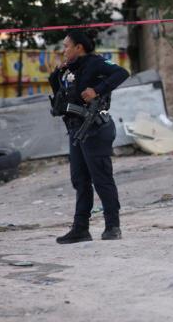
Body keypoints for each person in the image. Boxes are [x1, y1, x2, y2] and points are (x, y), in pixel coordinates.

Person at [50, 29, 130, 244]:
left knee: (101, 178)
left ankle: (112, 226)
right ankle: (80, 228)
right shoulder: (69, 69)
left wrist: (98, 89)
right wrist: (56, 74)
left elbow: (122, 73)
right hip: (76, 129)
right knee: (79, 179)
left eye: (67, 46)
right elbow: (60, 95)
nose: (64, 50)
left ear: (79, 47)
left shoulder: (95, 63)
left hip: (95, 128)